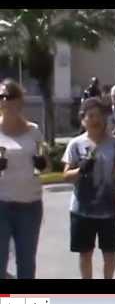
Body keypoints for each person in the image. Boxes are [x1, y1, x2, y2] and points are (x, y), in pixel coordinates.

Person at [62, 97, 115, 279]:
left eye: (99, 116)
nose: (95, 120)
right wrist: (80, 169)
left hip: (109, 208)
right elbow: (66, 175)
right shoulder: (75, 144)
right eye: (90, 116)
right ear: (83, 119)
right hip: (82, 209)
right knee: (85, 253)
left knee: (109, 252)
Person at [0, 78, 49, 279]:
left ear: (20, 101)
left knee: (26, 264)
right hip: (1, 204)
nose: (5, 100)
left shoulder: (34, 131)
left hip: (30, 205)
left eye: (10, 96)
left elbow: (47, 166)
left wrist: (42, 162)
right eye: (1, 97)